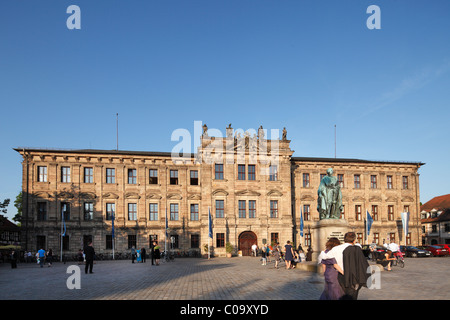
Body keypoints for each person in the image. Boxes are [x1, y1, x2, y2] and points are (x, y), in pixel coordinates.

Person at [318, 232, 369, 300]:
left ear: (344, 239)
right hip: (354, 277)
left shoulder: (336, 249)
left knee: (343, 295)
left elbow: (324, 257)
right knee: (352, 296)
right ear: (354, 240)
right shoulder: (357, 249)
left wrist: (322, 252)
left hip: (342, 276)